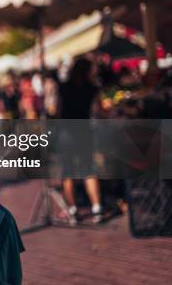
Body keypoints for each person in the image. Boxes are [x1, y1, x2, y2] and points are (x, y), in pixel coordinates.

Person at [58, 57, 103, 223]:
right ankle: (97, 207)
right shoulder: (92, 88)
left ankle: (73, 210)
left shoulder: (63, 87)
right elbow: (98, 110)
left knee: (67, 171)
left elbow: (57, 110)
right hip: (84, 130)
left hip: (67, 131)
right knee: (88, 169)